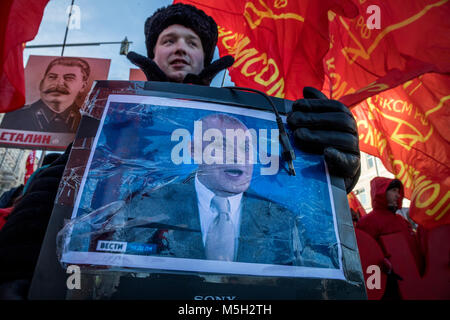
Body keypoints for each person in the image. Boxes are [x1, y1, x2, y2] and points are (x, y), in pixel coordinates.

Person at [0, 3, 360, 298]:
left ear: (207, 58)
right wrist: (15, 272)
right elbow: (56, 199)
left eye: (192, 42)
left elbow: (316, 256)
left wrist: (327, 172)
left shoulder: (259, 130)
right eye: (168, 40)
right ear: (152, 53)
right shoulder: (117, 123)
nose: (180, 48)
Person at [97, 113, 304, 265]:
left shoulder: (282, 220)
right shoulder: (146, 205)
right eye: (222, 145)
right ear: (194, 151)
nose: (236, 156)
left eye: (245, 148)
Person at [356, 177, 421, 299]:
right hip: (387, 284)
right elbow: (365, 254)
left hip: (410, 280)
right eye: (394, 191)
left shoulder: (402, 221)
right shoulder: (368, 222)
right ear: (382, 192)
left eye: (398, 191)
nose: (398, 195)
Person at [0, 57, 90, 133]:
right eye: (52, 77)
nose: (58, 83)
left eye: (69, 78)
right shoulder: (15, 115)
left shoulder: (88, 122)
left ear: (83, 86)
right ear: (42, 83)